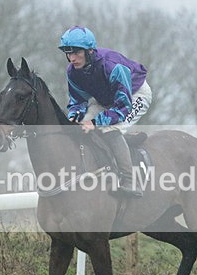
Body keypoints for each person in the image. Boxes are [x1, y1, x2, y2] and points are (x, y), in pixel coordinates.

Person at [58, 25, 152, 198]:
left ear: (90, 51)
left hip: (134, 95)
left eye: (77, 52)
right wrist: (74, 118)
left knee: (109, 128)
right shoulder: (72, 72)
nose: (72, 58)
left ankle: (130, 180)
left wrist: (94, 123)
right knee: (80, 126)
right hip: (106, 101)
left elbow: (123, 105)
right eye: (68, 53)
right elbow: (77, 101)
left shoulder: (112, 66)